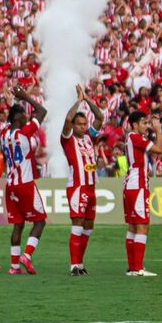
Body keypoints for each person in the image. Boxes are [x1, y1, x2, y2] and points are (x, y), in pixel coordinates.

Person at [1, 86, 48, 275]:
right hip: (25, 183)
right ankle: (26, 256)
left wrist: (15, 103)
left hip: (10, 185)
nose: (27, 118)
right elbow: (42, 111)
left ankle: (14, 267)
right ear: (16, 119)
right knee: (40, 222)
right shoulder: (24, 133)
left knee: (18, 224)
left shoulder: (4, 135)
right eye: (23, 116)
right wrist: (25, 97)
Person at [60, 85, 104, 276]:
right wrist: (78, 100)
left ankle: (80, 263)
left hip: (91, 187)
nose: (83, 127)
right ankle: (73, 265)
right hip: (77, 187)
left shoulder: (88, 138)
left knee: (88, 227)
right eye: (80, 124)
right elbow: (68, 119)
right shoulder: (68, 138)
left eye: (84, 124)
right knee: (77, 224)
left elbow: (100, 117)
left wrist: (87, 99)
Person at [123, 108, 162, 277]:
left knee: (133, 226)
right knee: (142, 225)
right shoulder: (135, 137)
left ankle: (133, 267)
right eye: (144, 123)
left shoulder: (133, 138)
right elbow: (159, 150)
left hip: (131, 185)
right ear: (134, 124)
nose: (147, 126)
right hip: (137, 185)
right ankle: (138, 268)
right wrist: (159, 130)